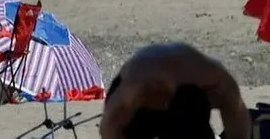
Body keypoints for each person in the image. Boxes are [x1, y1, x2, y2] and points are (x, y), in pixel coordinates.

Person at [100, 43, 250, 139]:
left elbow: (239, 125)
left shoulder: (218, 82)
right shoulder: (135, 87)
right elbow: (107, 128)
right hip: (141, 86)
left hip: (188, 92)